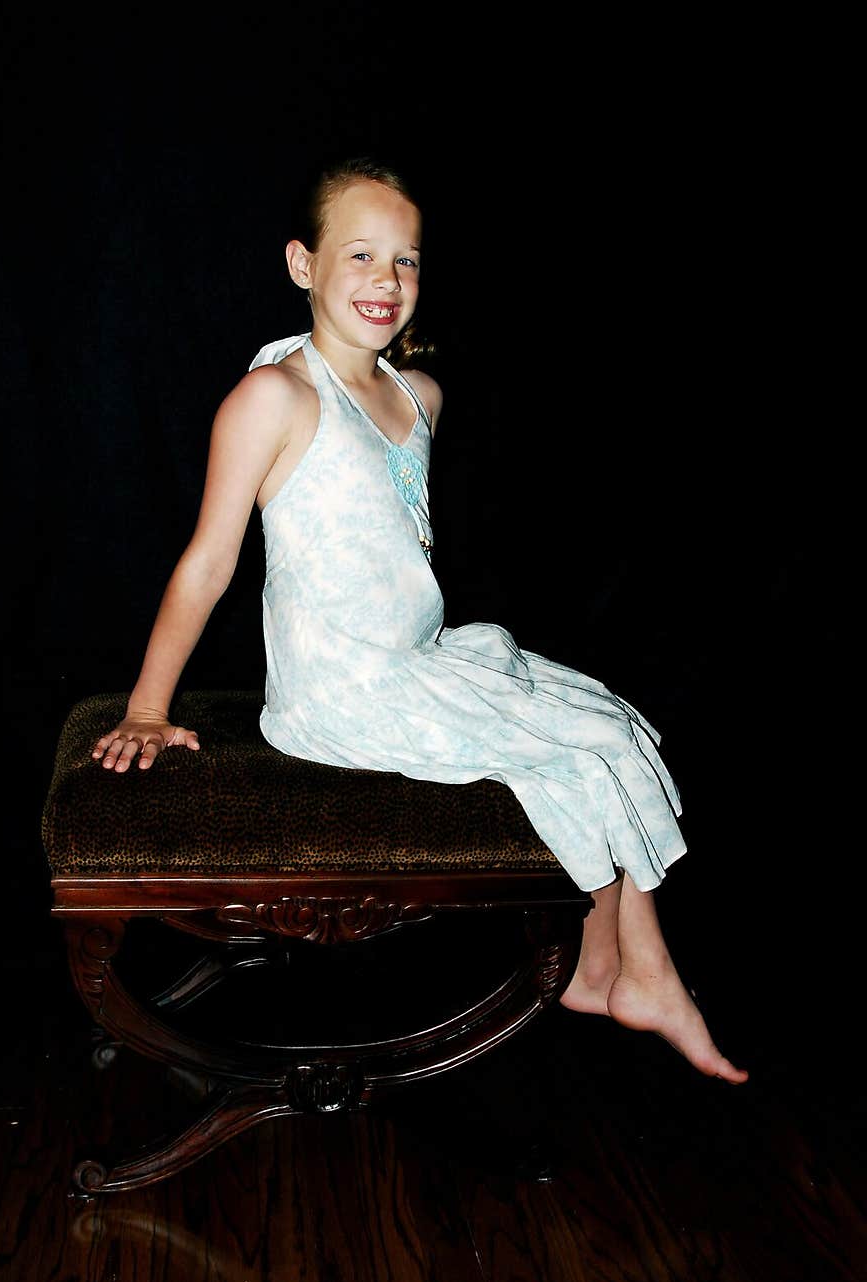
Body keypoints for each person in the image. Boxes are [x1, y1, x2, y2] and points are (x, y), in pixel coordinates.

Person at [92, 155, 748, 1086]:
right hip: (338, 688)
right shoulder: (274, 398)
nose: (385, 281)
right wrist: (148, 705)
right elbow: (209, 561)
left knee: (608, 723)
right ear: (301, 265)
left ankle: (611, 970)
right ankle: (644, 976)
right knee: (568, 750)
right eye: (358, 254)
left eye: (405, 261)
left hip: (415, 659)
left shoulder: (417, 398)